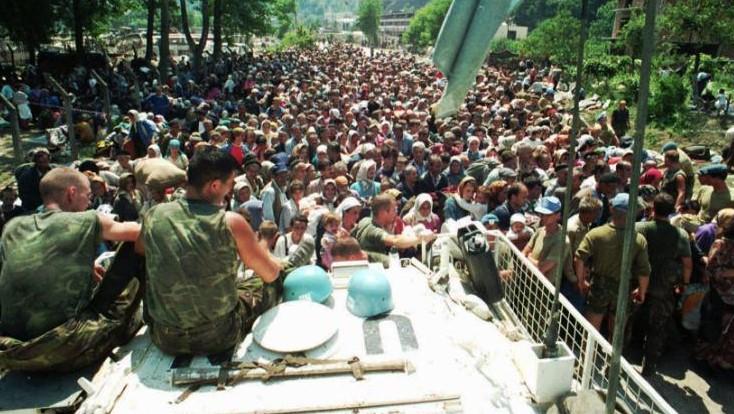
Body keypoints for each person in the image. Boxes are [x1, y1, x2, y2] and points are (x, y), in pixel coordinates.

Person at [137, 148, 283, 356]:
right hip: (218, 336)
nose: (230, 190)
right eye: (230, 184)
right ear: (214, 186)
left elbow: (140, 249)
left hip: (165, 337)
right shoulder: (230, 222)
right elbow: (270, 273)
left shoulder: (154, 215)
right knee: (272, 280)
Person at [0, 167, 143, 372]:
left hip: (13, 354)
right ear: (72, 193)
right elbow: (142, 232)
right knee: (135, 248)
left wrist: (85, 263)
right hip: (64, 351)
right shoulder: (87, 219)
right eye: (87, 196)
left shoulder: (13, 227)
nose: (89, 202)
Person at [575, 193, 650, 336]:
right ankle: (612, 357)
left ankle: (588, 355)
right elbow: (644, 270)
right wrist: (642, 291)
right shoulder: (638, 239)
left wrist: (581, 281)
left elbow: (579, 257)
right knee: (617, 330)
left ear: (612, 210)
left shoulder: (596, 234)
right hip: (623, 287)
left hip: (599, 285)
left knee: (592, 329)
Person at [634, 193, 692, 376]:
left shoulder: (641, 228)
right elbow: (687, 263)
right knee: (657, 326)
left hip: (637, 282)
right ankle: (650, 364)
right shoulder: (680, 234)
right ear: (671, 211)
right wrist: (684, 283)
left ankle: (620, 357)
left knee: (629, 320)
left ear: (653, 208)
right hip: (663, 286)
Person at [694, 208, 734, 372]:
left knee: (726, 330)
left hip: (730, 296)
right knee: (712, 328)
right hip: (718, 294)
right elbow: (710, 270)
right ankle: (701, 358)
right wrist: (729, 273)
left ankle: (717, 360)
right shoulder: (721, 244)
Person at [352, 194, 436, 266]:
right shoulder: (373, 230)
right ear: (384, 212)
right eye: (394, 210)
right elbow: (395, 240)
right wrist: (420, 239)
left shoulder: (364, 220)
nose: (396, 213)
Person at [523, 196, 574, 284]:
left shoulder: (562, 241)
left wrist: (528, 257)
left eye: (548, 215)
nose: (543, 217)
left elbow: (541, 268)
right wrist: (528, 257)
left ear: (558, 215)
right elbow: (523, 253)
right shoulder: (540, 231)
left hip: (545, 290)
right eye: (541, 214)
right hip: (528, 284)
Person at [14, 148, 53, 213]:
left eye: (46, 159)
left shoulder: (55, 171)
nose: (43, 159)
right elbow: (25, 197)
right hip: (34, 209)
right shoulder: (26, 177)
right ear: (35, 161)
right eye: (39, 158)